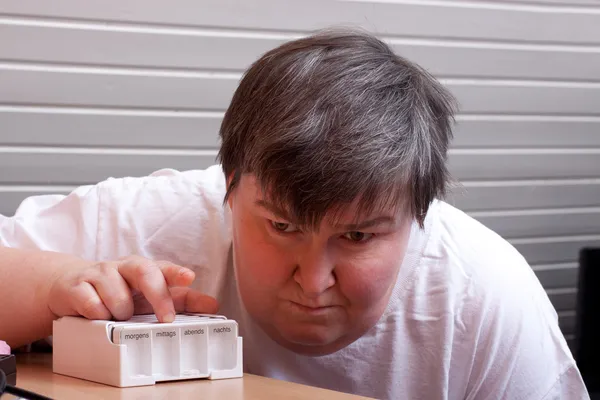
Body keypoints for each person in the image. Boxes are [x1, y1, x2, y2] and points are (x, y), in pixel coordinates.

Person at [0, 27, 590, 399]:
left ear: (419, 214)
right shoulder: (152, 219)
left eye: (358, 236)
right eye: (282, 226)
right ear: (228, 189)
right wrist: (53, 285)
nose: (313, 281)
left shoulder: (486, 293)